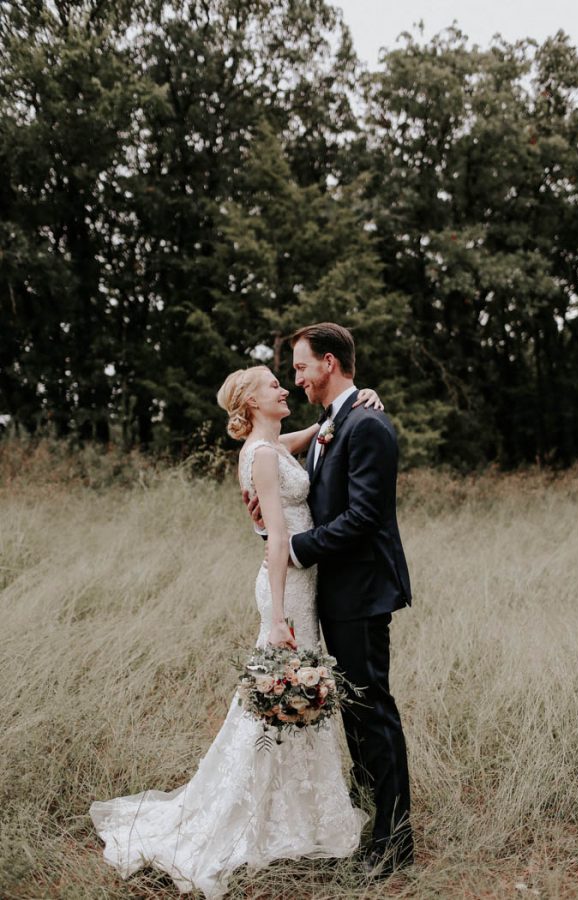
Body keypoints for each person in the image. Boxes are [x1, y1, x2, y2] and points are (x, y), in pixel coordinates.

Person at [89, 365, 382, 897]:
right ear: (251, 400)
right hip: (287, 587)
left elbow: (316, 433)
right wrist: (274, 620)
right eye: (274, 385)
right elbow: (274, 539)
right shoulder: (264, 458)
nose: (285, 388)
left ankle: (298, 808)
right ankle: (276, 816)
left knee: (293, 699)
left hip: (300, 585)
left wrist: (360, 396)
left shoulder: (268, 446)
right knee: (284, 696)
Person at [246, 323, 414, 878]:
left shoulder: (366, 424)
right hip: (332, 594)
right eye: (290, 372)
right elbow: (296, 482)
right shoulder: (332, 424)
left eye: (301, 367)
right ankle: (372, 821)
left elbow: (364, 517)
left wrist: (294, 547)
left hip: (361, 592)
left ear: (330, 363)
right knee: (356, 718)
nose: (296, 379)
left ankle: (394, 846)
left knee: (373, 716)